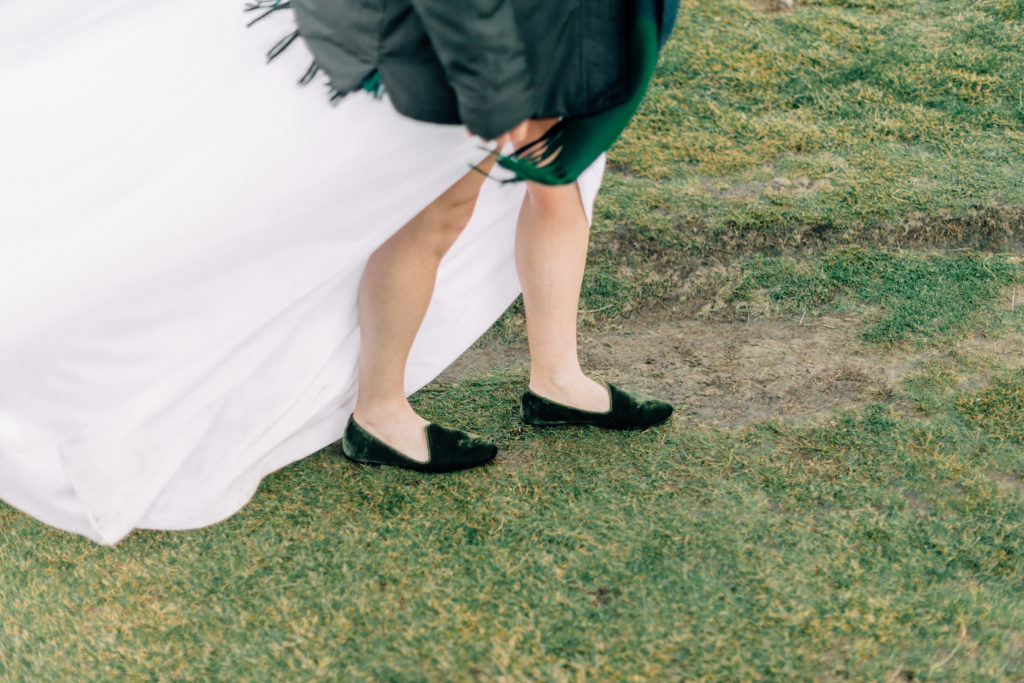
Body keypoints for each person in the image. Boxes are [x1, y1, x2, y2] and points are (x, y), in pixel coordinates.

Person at [0, 0, 675, 544]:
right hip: (453, 41)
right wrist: (500, 105)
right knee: (440, 212)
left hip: (562, 27)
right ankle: (380, 411)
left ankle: (557, 379)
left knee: (562, 181)